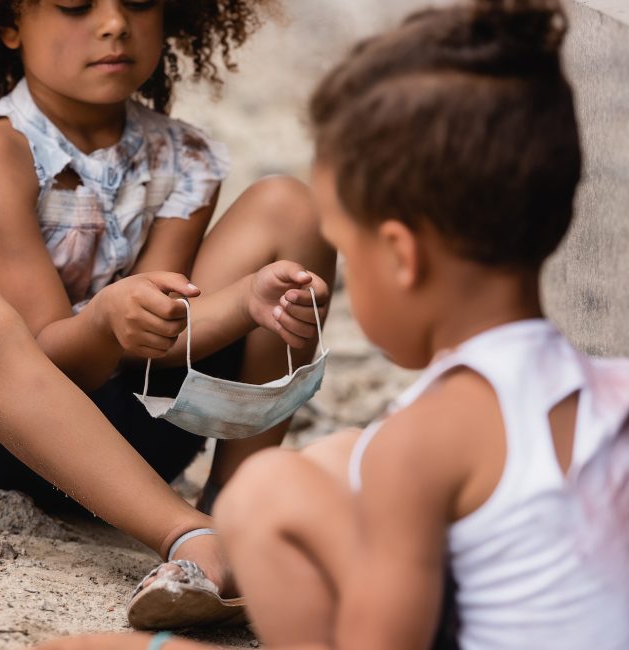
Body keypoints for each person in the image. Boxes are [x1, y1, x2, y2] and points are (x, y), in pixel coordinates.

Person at [30, 0, 629, 648]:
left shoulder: (424, 445)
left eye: (349, 246)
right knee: (310, 472)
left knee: (254, 503)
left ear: (400, 256)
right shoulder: (614, 390)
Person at [0, 0, 336, 631]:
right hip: (6, 440)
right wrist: (105, 319)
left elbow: (161, 337)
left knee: (289, 206)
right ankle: (188, 533)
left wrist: (247, 301)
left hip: (142, 421)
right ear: (9, 24)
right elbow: (50, 356)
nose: (114, 23)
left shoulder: (183, 157)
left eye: (138, 1)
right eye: (76, 4)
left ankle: (235, 504)